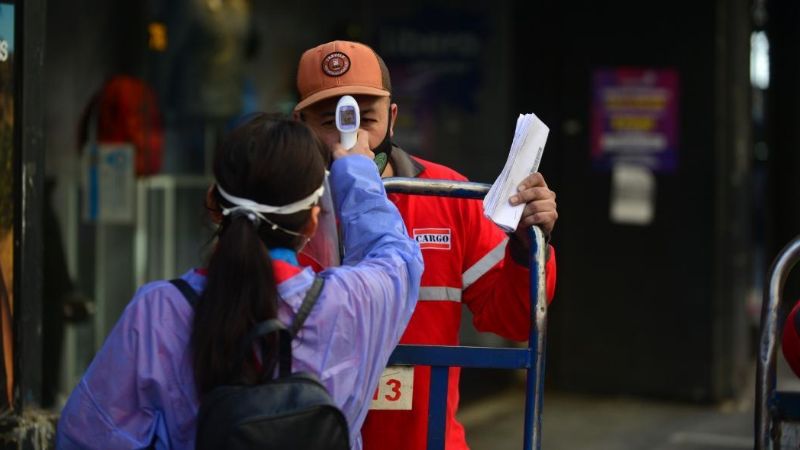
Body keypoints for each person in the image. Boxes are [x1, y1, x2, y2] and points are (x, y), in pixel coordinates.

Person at [56, 114, 423, 449]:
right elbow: (396, 255)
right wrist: (356, 171)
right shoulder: (353, 302)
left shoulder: (158, 311)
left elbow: (89, 438)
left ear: (213, 204)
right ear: (313, 221)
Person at [294, 40, 558, 450]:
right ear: (300, 126)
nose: (351, 140)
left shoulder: (447, 195)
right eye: (330, 122)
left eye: (365, 119)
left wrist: (527, 247)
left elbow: (511, 320)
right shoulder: (279, 205)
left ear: (393, 118)